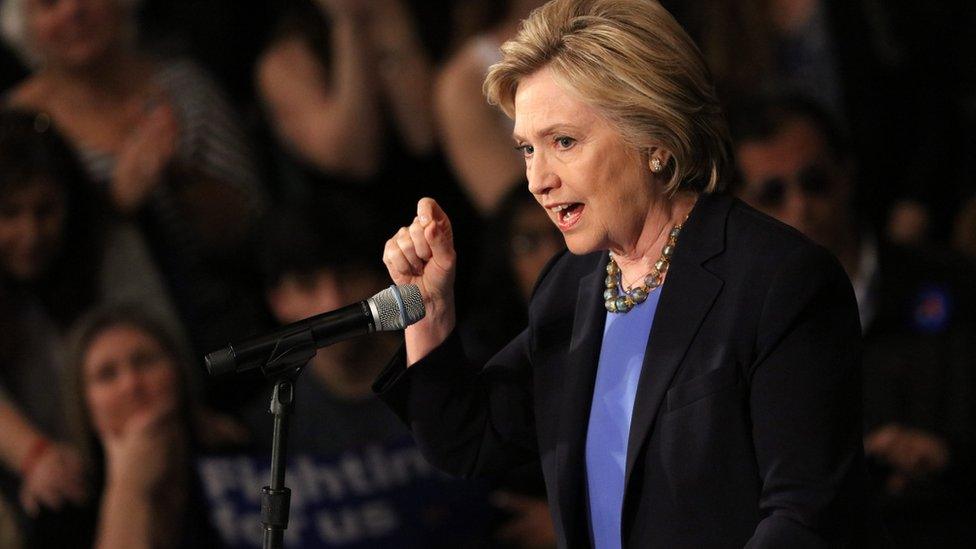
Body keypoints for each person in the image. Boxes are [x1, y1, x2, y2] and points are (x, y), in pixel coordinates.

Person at [375, 1, 868, 547]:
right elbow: (468, 443)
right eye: (526, 150)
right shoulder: (570, 286)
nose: (537, 180)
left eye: (563, 142)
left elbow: (804, 517)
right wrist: (429, 309)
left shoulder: (778, 280)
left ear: (653, 139)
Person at [730, 94, 976, 547]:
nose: (800, 206)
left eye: (814, 181)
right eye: (773, 193)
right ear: (743, 206)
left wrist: (946, 455)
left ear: (846, 174)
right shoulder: (735, 331)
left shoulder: (950, 285)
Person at [0, 0, 270, 399]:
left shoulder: (183, 87)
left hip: (220, 329)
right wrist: (115, 206)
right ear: (24, 26)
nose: (73, 11)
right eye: (49, 4)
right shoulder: (13, 121)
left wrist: (176, 174)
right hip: (78, 357)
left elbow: (252, 231)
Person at [26, 305, 226, 548]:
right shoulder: (64, 501)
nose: (131, 384)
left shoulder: (234, 457)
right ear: (84, 403)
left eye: (145, 361)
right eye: (107, 374)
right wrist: (129, 487)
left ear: (178, 370)